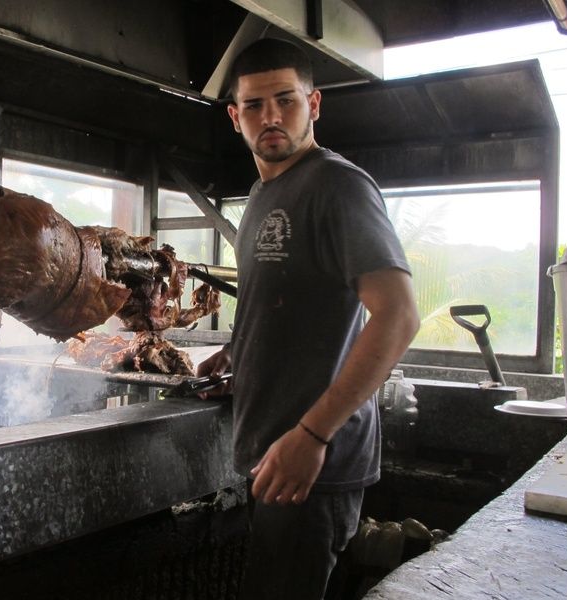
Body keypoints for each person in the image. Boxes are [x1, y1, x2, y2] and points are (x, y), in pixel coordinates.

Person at [196, 38, 420, 600]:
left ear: (313, 105)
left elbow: (398, 315)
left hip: (312, 460)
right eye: (254, 105)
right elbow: (285, 301)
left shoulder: (338, 187)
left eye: (285, 100)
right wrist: (237, 350)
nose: (270, 117)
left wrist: (313, 434)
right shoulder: (262, 194)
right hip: (270, 450)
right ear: (235, 116)